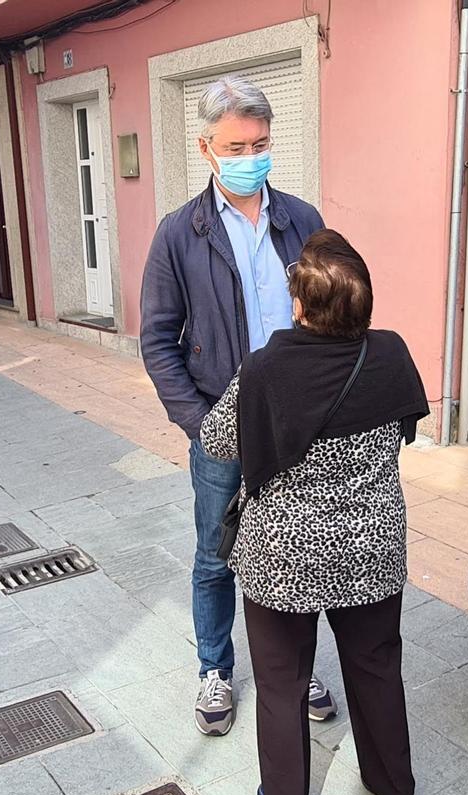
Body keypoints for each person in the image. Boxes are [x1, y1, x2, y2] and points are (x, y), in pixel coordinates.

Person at [200, 229, 428, 795]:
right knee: (377, 666)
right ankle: (394, 788)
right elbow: (404, 426)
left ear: (300, 305)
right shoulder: (391, 354)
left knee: (280, 679)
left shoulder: (268, 367)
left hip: (282, 554)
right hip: (372, 547)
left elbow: (219, 442)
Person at [141, 75, 335, 735]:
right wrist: (202, 427)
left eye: (260, 142)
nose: (250, 155)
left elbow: (332, 318)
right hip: (222, 430)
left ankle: (296, 666)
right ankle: (215, 668)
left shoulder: (302, 220)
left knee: (296, 548)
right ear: (206, 147)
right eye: (236, 144)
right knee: (216, 554)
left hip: (299, 425)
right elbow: (156, 340)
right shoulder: (179, 233)